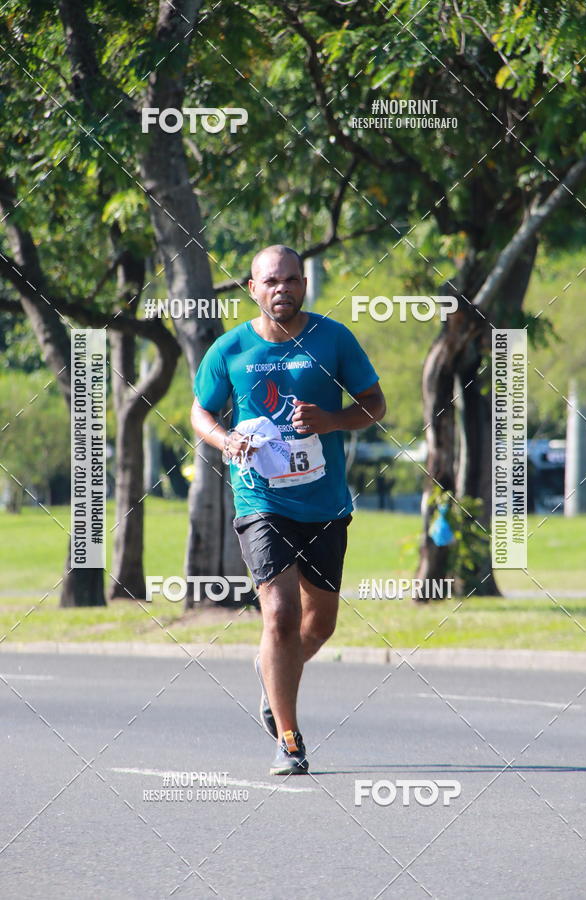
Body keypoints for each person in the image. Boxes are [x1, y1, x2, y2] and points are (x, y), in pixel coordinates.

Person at [190, 245, 386, 775]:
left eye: (292, 279)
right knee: (279, 613)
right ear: (252, 289)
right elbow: (200, 412)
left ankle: (269, 670)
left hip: (324, 504)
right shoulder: (230, 349)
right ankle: (290, 740)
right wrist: (226, 439)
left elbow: (374, 402)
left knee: (318, 627)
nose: (283, 289)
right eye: (271, 281)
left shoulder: (334, 338)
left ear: (304, 284)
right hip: (261, 500)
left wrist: (332, 420)